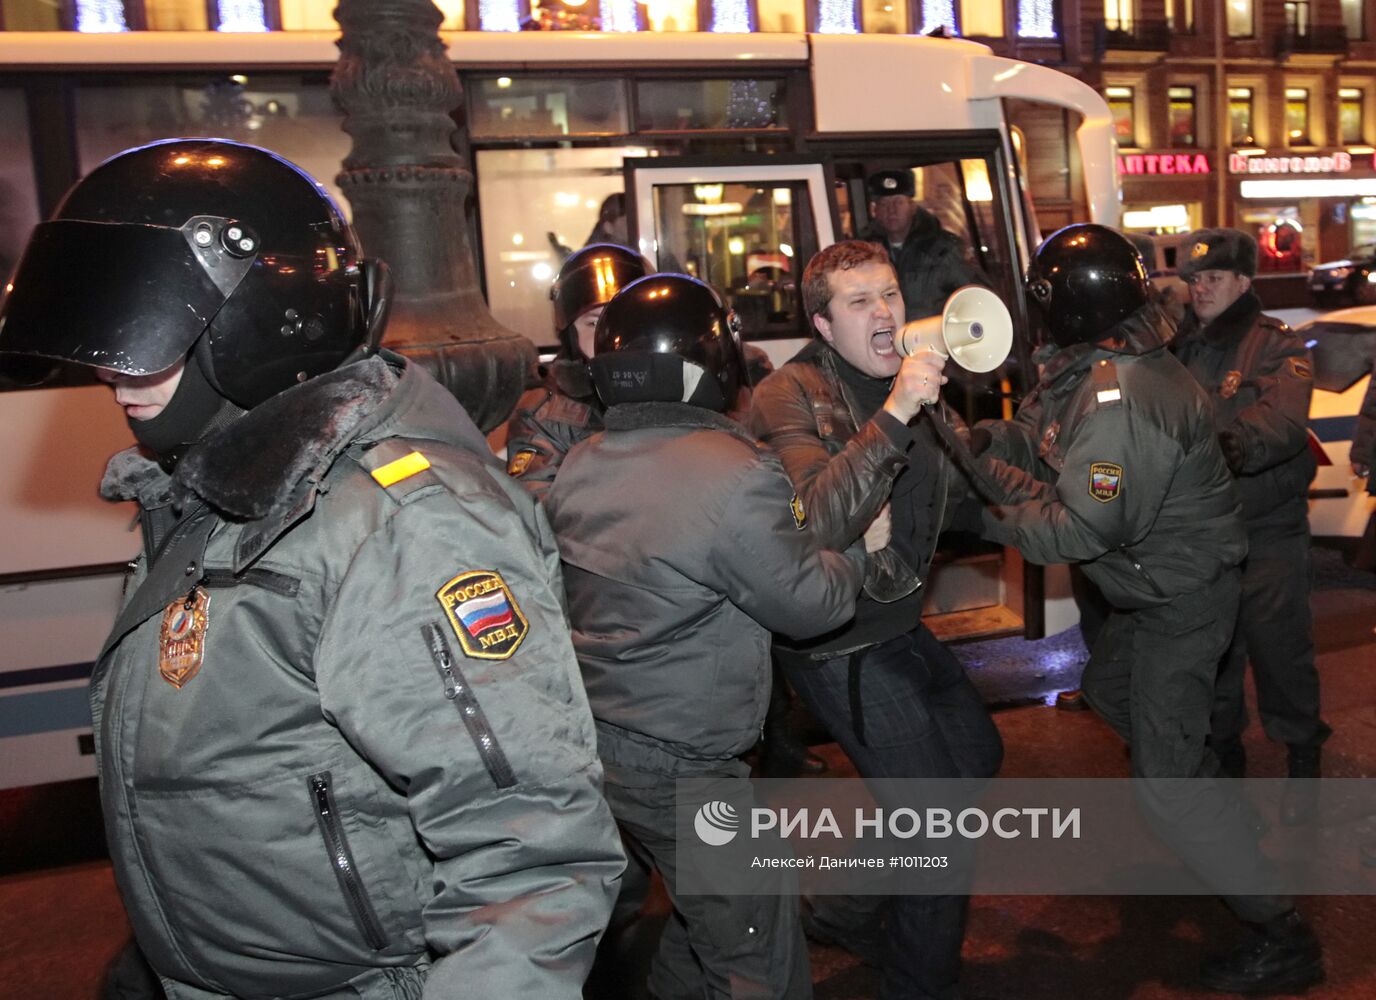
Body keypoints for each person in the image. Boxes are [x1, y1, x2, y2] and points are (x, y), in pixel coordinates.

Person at [0, 138, 623, 1000]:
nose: (110, 368)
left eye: (145, 329)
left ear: (258, 320)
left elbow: (530, 858)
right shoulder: (214, 483)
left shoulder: (402, 520)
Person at [964, 223, 1322, 996]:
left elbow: (1082, 525)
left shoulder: (1123, 400)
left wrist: (978, 515)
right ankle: (1213, 809)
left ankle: (1281, 930)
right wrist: (981, 444)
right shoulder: (1088, 368)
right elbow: (1036, 431)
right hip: (1150, 592)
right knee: (1115, 697)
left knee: (1165, 783)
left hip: (1179, 603)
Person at [546, 273, 868, 999]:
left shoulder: (584, 459)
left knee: (706, 925)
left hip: (600, 745)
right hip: (685, 763)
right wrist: (859, 553)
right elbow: (810, 604)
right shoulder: (733, 474)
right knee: (761, 959)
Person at [749, 240, 1004, 1000]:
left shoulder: (908, 375)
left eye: (890, 294)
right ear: (824, 325)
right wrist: (898, 411)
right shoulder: (786, 394)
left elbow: (963, 484)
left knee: (976, 757)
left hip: (895, 620)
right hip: (838, 640)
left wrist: (1064, 515)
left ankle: (842, 905)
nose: (885, 313)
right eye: (860, 302)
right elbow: (818, 517)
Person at [1170, 227, 1330, 822]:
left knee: (1280, 648)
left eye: (1212, 277)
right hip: (1204, 532)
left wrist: (1224, 446)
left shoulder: (1275, 344)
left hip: (1266, 527)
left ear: (1244, 281)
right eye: (1192, 278)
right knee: (1216, 655)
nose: (1200, 288)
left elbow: (1284, 420)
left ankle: (1302, 753)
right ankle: (1226, 757)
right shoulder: (1178, 347)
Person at [505, 242, 649, 499]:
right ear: (570, 334)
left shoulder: (677, 387)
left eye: (622, 319)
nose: (609, 336)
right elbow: (541, 510)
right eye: (593, 323)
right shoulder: (546, 415)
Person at [860, 169, 984, 320]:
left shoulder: (943, 249)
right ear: (875, 211)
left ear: (912, 206)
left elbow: (978, 297)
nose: (891, 210)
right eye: (884, 204)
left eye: (898, 202)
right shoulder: (864, 253)